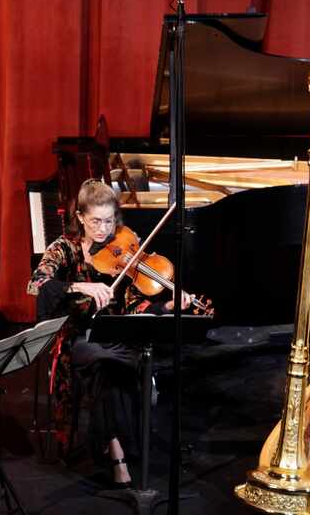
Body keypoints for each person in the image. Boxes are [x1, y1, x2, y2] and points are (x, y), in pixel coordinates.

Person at [27, 178, 191, 488]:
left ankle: (117, 448)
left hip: (117, 336)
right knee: (104, 364)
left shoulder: (124, 248)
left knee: (116, 367)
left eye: (109, 220)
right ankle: (119, 457)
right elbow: (36, 285)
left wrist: (167, 305)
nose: (103, 229)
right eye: (95, 221)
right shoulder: (64, 248)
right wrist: (79, 285)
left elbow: (136, 305)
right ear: (80, 219)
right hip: (77, 338)